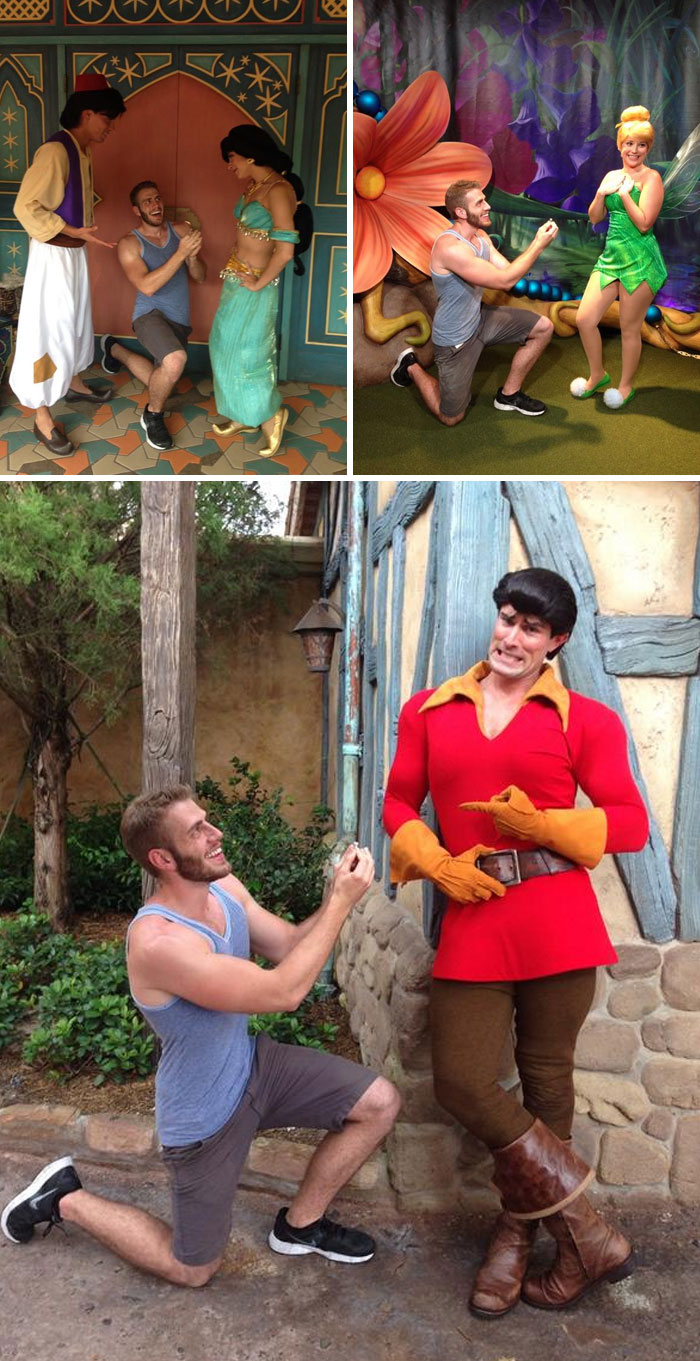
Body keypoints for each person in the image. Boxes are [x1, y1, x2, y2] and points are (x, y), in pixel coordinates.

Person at [383, 568, 649, 1318]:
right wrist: (433, 861)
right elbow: (400, 799)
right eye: (508, 618)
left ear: (555, 643)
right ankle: (587, 1229)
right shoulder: (429, 710)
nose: (513, 636)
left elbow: (628, 821)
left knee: (548, 1090)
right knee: (463, 1081)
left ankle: (517, 1237)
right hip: (473, 910)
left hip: (559, 917)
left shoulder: (586, 720)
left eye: (533, 628)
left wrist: (546, 826)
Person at [1, 787, 399, 1284]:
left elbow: (290, 945)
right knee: (193, 1269)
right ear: (162, 858)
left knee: (379, 1103)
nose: (216, 835)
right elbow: (284, 992)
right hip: (204, 1116)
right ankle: (64, 1197)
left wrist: (338, 892)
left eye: (207, 822)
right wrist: (342, 903)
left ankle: (301, 1227)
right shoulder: (159, 943)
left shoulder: (223, 888)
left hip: (254, 1067)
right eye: (198, 831)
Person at [9, 73, 126, 457]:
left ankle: (73, 381)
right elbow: (26, 206)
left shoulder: (80, 150)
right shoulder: (56, 152)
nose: (110, 128)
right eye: (107, 120)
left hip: (73, 253)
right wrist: (70, 230)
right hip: (53, 255)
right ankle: (42, 415)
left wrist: (81, 224)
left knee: (76, 321)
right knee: (47, 329)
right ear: (88, 113)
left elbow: (69, 195)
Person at [390, 179, 558, 423]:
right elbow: (505, 282)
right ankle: (410, 366)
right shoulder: (451, 249)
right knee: (451, 417)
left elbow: (508, 272)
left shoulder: (480, 237)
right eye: (480, 202)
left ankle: (509, 396)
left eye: (484, 200)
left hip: (479, 320)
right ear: (460, 212)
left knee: (543, 327)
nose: (487, 205)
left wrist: (535, 250)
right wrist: (537, 245)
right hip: (455, 339)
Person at [209, 126, 304, 457]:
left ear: (250, 155)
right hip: (235, 280)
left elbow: (285, 250)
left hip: (257, 286)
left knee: (250, 355)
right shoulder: (255, 186)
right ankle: (243, 414)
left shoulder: (278, 190)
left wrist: (258, 283)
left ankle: (271, 416)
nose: (228, 165)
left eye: (231, 157)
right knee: (224, 346)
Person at [571, 105, 666, 410]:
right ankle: (597, 375)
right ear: (620, 145)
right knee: (584, 319)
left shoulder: (652, 179)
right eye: (629, 143)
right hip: (611, 258)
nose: (634, 150)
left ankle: (625, 387)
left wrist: (625, 194)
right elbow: (595, 218)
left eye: (641, 145)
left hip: (640, 260)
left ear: (647, 148)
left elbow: (644, 223)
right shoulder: (612, 175)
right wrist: (601, 194)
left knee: (628, 327)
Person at [102, 181, 207, 452]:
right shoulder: (129, 243)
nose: (155, 204)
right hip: (149, 315)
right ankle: (152, 415)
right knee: (175, 362)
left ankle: (113, 349)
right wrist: (181, 253)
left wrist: (192, 257)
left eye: (157, 198)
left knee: (162, 378)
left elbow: (200, 276)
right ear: (136, 210)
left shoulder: (181, 231)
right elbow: (147, 286)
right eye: (147, 201)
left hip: (179, 320)